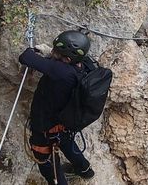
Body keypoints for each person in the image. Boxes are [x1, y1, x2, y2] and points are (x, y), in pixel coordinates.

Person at [19, 30, 97, 184]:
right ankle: (85, 171)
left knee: (46, 162)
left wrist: (36, 51)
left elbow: (25, 56)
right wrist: (52, 55)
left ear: (67, 59)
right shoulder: (85, 64)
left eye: (56, 51)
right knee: (67, 144)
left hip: (45, 126)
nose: (53, 52)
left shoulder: (60, 71)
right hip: (64, 122)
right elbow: (56, 64)